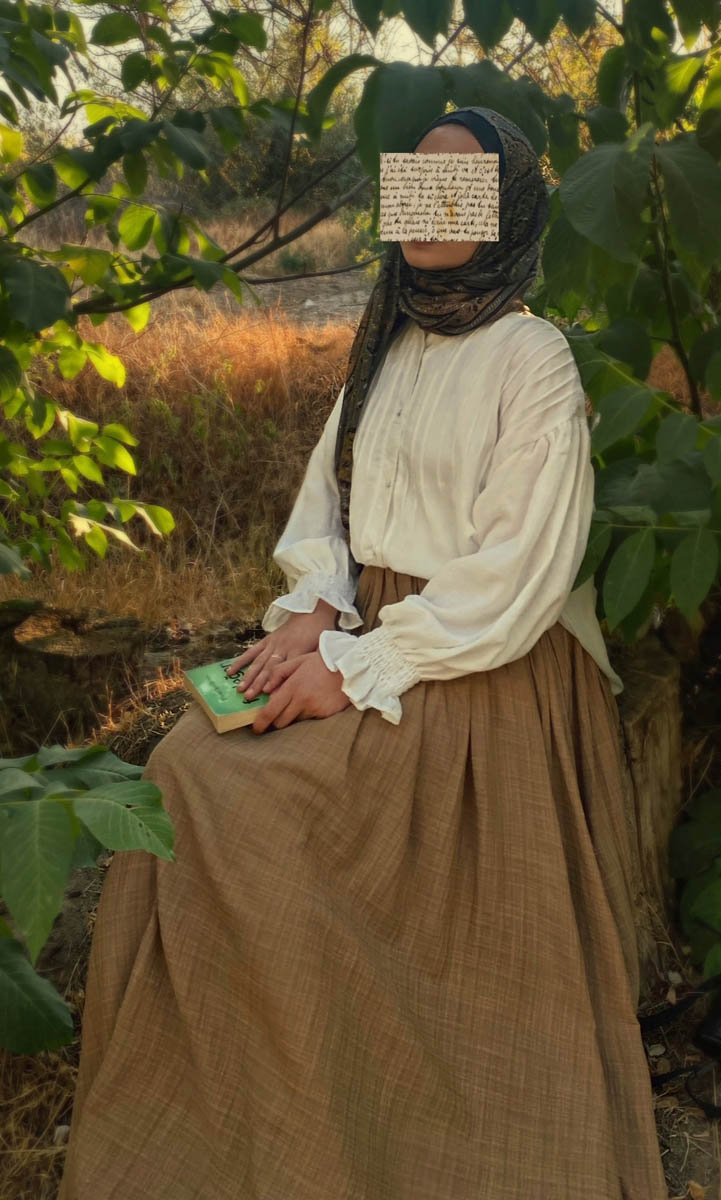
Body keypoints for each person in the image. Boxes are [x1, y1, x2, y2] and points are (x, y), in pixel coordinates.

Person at [58, 106, 669, 1199]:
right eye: (414, 183)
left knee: (254, 807)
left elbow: (516, 569)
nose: (428, 208)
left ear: (503, 210)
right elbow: (329, 505)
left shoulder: (530, 356)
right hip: (366, 628)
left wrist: (355, 666)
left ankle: (361, 1106)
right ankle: (225, 1114)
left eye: (457, 187)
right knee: (185, 767)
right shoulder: (384, 344)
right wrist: (314, 608)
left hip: (474, 659)